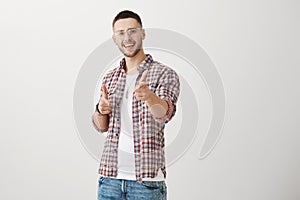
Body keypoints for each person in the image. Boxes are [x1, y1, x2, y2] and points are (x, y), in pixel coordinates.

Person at [92, 10, 180, 200]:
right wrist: (100, 110)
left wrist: (150, 98)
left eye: (132, 31)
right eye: (121, 33)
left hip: (146, 184)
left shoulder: (164, 74)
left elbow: (164, 113)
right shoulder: (110, 78)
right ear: (114, 39)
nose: (127, 38)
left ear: (143, 33)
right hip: (109, 180)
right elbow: (101, 126)